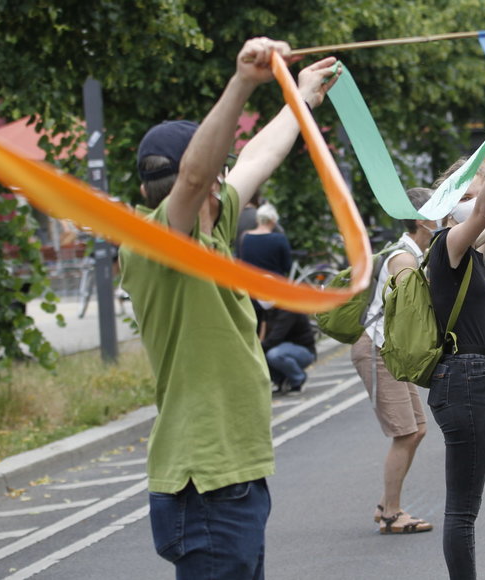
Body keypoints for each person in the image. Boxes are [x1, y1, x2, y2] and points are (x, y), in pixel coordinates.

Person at [119, 38, 340, 578]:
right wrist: (243, 81)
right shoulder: (159, 242)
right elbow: (195, 177)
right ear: (209, 179)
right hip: (207, 485)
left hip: (229, 481)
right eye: (223, 168)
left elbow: (262, 155)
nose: (231, 175)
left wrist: (301, 97)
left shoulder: (212, 228)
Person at [426, 127, 485, 580]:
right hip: (463, 379)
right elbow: (482, 215)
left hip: (467, 380)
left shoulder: (465, 248)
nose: (480, 201)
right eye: (472, 194)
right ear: (452, 202)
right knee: (462, 512)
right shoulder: (449, 245)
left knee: (465, 508)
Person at [352, 187, 437, 535]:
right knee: (405, 432)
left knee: (417, 429)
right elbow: (413, 312)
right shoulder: (403, 259)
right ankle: (390, 512)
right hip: (378, 349)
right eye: (439, 211)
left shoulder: (414, 252)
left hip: (390, 351)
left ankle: (387, 505)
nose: (444, 218)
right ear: (421, 219)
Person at [259, 302, 316, 393]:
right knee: (261, 357)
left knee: (273, 355)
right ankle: (282, 381)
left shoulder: (288, 310)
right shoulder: (268, 312)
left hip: (303, 351)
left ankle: (298, 378)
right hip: (282, 348)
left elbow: (276, 337)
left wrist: (258, 349)